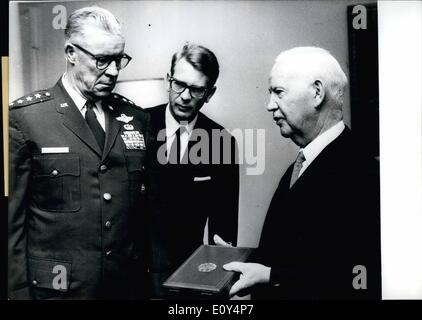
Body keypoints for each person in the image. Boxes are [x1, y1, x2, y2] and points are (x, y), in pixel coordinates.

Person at [8, 6, 151, 299]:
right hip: (56, 292)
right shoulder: (27, 119)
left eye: (118, 59)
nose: (113, 71)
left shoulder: (136, 118)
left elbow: (148, 217)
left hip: (125, 288)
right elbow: (11, 226)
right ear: (71, 53)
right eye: (102, 60)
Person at [223, 47, 381, 299]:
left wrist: (270, 276)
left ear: (317, 93)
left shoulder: (361, 172)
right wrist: (242, 260)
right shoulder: (301, 164)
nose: (269, 105)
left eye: (278, 92)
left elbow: (358, 274)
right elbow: (298, 249)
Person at [147, 43, 239, 298]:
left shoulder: (221, 141)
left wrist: (219, 280)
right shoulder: (138, 126)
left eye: (197, 89)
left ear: (210, 93)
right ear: (168, 80)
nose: (185, 96)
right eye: (179, 84)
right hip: (138, 276)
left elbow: (225, 228)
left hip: (191, 277)